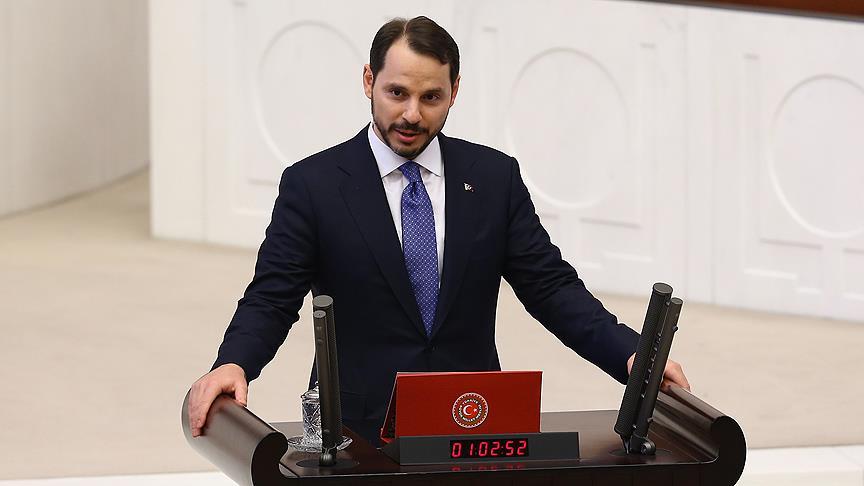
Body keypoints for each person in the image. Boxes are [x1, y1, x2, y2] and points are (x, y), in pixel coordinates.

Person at [188, 15, 689, 442]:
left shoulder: (493, 178)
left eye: (431, 97)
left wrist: (630, 353)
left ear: (455, 91)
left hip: (473, 419)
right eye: (397, 93)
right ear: (368, 81)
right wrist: (235, 362)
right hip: (357, 431)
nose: (412, 114)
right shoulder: (314, 185)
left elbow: (551, 287)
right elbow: (272, 297)